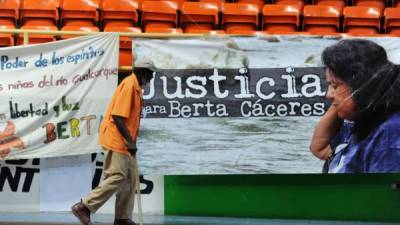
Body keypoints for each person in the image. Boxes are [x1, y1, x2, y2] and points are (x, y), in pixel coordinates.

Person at [71, 69, 153, 225]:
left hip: (126, 142)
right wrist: (129, 141)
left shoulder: (136, 88)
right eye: (150, 74)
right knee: (117, 176)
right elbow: (117, 116)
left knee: (129, 180)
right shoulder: (129, 85)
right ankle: (84, 206)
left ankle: (122, 218)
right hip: (117, 140)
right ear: (142, 73)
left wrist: (132, 140)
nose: (152, 77)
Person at [310, 39, 400, 173]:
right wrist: (344, 100)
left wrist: (351, 97)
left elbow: (383, 193)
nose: (328, 94)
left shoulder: (389, 136)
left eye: (335, 86)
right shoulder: (360, 119)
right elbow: (319, 148)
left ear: (362, 85)